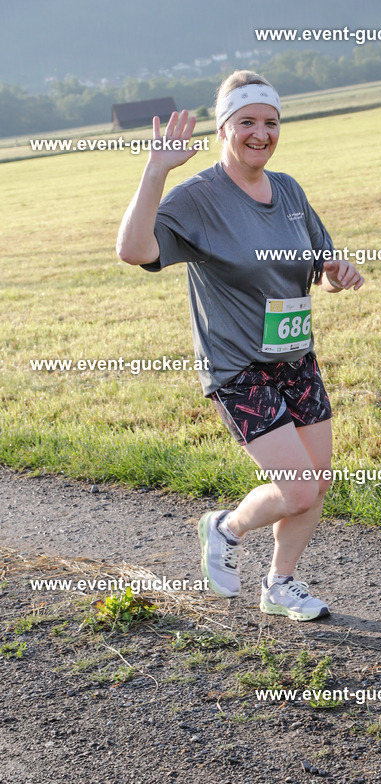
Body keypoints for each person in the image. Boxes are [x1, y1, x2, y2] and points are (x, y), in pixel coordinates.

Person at [117, 71, 364, 621]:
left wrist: (335, 272)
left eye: (270, 122)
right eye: (247, 121)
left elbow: (318, 262)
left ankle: (280, 585)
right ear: (224, 127)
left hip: (295, 357)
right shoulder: (199, 198)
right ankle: (225, 528)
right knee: (298, 489)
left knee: (315, 485)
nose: (261, 132)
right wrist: (156, 170)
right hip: (237, 367)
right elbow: (133, 251)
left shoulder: (291, 191)